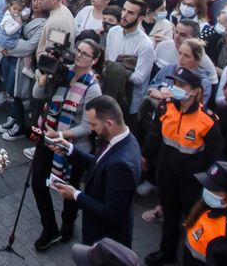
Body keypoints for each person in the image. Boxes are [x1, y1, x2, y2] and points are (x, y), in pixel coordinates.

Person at [30, 31, 103, 251]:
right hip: (49, 135)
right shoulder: (62, 72)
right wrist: (44, 76)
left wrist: (63, 136)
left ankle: (68, 223)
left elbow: (88, 126)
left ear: (94, 60)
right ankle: (49, 227)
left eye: (85, 54)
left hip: (72, 146)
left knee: (69, 190)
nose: (79, 56)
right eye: (78, 51)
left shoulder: (93, 87)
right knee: (37, 182)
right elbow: (36, 94)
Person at [145, 67, 225, 265]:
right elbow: (155, 135)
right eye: (175, 84)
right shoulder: (165, 107)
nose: (176, 88)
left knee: (192, 219)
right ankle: (167, 252)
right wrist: (145, 155)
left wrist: (211, 183)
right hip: (167, 173)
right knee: (169, 214)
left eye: (182, 85)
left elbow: (214, 154)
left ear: (195, 91)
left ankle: (191, 257)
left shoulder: (207, 120)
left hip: (192, 179)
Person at [50, 94, 144, 245]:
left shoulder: (122, 165)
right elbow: (100, 163)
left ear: (109, 123)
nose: (92, 130)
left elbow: (111, 212)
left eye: (94, 125)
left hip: (105, 238)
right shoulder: (122, 138)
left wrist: (75, 195)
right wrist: (70, 150)